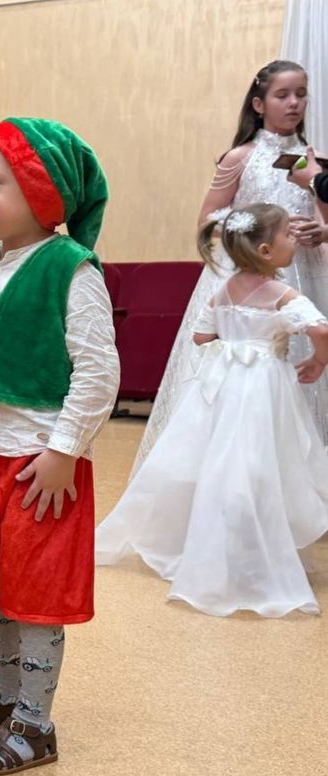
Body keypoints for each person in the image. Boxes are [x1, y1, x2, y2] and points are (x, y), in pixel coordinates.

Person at [0, 119, 118, 776]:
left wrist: (65, 450)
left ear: (42, 191)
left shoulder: (70, 267)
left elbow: (98, 371)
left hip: (42, 464)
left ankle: (35, 724)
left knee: (35, 595)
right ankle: (1, 692)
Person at [97, 203, 328, 616]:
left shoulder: (222, 292)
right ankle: (253, 549)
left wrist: (233, 339)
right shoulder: (283, 295)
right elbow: (320, 329)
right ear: (265, 250)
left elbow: (202, 337)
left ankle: (210, 542)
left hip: (221, 385)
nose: (294, 240)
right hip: (262, 389)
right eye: (288, 235)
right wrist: (317, 359)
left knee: (214, 459)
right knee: (259, 461)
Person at [134, 59, 328, 472]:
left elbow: (325, 219)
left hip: (304, 273)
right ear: (259, 104)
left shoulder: (315, 162)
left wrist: (321, 232)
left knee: (300, 360)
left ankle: (299, 474)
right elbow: (208, 218)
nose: (294, 103)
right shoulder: (240, 157)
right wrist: (254, 233)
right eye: (282, 95)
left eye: (301, 94)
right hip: (247, 275)